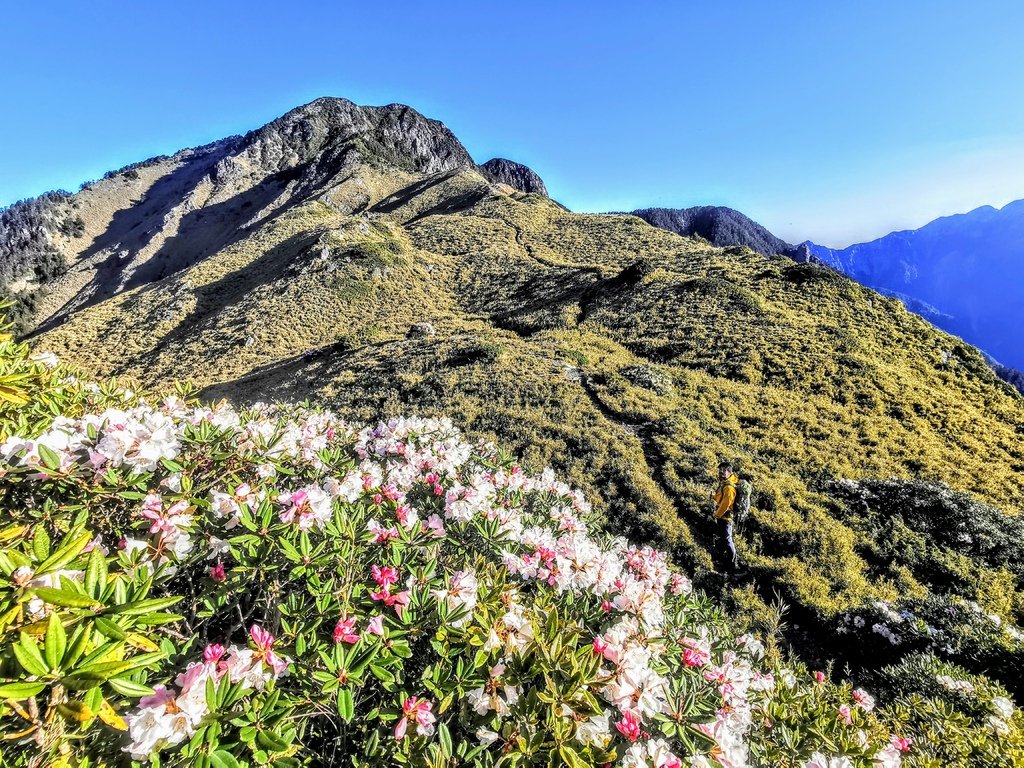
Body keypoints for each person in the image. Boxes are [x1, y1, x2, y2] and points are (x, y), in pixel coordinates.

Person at [711, 461, 741, 573]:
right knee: (723, 538)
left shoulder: (729, 487)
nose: (721, 473)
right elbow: (721, 498)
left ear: (730, 472)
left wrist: (717, 514)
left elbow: (726, 504)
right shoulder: (725, 483)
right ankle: (722, 560)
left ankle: (734, 565)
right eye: (720, 471)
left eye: (724, 471)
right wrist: (714, 496)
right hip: (722, 517)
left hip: (725, 518)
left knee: (728, 540)